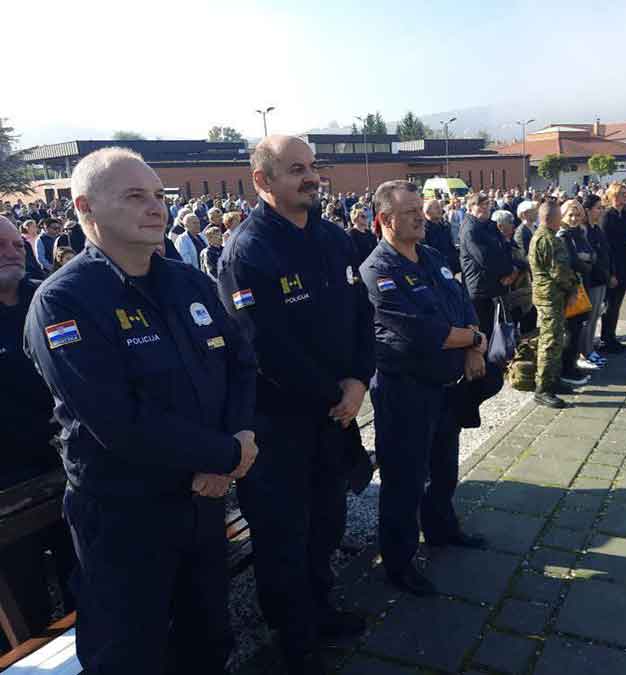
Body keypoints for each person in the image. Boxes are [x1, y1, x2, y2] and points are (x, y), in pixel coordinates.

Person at [23, 148, 259, 675]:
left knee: (208, 637)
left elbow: (241, 363)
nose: (156, 207)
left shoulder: (189, 282)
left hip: (201, 501)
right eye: (135, 196)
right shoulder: (64, 301)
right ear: (85, 207)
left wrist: (236, 437)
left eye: (158, 195)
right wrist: (224, 454)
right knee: (129, 652)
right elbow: (116, 420)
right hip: (126, 516)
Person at [217, 136, 374, 672]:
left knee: (327, 520)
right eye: (294, 169)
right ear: (262, 181)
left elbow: (362, 315)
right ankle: (294, 637)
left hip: (335, 416)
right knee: (284, 536)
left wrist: (359, 379)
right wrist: (339, 392)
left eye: (312, 166)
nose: (310, 177)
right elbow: (263, 348)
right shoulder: (248, 251)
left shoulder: (333, 238)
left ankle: (320, 609)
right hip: (279, 425)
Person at [360, 180, 490, 595]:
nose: (421, 217)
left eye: (421, 209)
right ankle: (398, 563)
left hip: (444, 385)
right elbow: (422, 331)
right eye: (411, 212)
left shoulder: (431, 256)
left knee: (444, 468)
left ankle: (441, 529)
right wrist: (473, 340)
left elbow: (463, 305)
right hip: (405, 392)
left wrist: (472, 346)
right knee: (404, 481)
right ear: (385, 219)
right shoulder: (377, 270)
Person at [0, 216, 76, 654]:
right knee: (24, 599)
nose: (12, 252)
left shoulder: (45, 298)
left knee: (83, 576)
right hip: (10, 486)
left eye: (17, 244)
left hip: (66, 465)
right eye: (0, 246)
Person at [529, 200, 580, 408]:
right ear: (552, 218)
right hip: (551, 297)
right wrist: (573, 288)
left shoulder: (540, 236)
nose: (562, 219)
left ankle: (553, 380)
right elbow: (559, 272)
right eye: (560, 216)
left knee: (556, 339)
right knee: (550, 342)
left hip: (548, 296)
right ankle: (543, 389)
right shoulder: (549, 239)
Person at [459, 192, 516, 338]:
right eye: (481, 205)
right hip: (480, 288)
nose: (485, 208)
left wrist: (512, 270)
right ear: (470, 207)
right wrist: (507, 271)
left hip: (496, 285)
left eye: (487, 204)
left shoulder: (490, 225)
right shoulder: (470, 229)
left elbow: (505, 247)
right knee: (485, 332)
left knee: (500, 329)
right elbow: (484, 259)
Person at [599, 183, 626, 352]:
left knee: (616, 304)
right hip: (614, 264)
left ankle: (611, 335)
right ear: (613, 195)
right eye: (622, 193)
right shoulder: (607, 216)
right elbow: (606, 243)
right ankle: (606, 339)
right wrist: (611, 273)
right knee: (610, 305)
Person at [558, 199, 594, 385]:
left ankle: (571, 364)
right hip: (570, 289)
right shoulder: (563, 235)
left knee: (577, 328)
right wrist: (586, 262)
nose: (574, 218)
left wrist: (587, 260)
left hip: (581, 286)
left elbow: (592, 254)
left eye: (578, 215)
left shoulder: (580, 233)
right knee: (570, 331)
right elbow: (572, 261)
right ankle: (567, 369)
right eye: (570, 215)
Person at [492, 209, 535, 333]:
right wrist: (516, 268)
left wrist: (519, 266)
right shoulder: (496, 243)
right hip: (506, 291)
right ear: (500, 226)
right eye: (510, 223)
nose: (513, 225)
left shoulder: (510, 241)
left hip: (520, 286)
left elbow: (521, 261)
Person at [582, 194, 611, 366]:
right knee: (588, 319)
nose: (601, 211)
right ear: (588, 210)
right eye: (598, 208)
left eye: (601, 208)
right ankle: (584, 352)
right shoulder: (584, 230)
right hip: (591, 280)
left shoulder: (597, 229)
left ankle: (590, 349)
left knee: (595, 317)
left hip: (601, 279)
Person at [424, 198, 461, 275]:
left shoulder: (445, 226)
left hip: (450, 266)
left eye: (440, 207)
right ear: (427, 211)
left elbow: (450, 246)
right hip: (435, 269)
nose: (440, 210)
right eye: (436, 208)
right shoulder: (423, 230)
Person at [348, 202, 378, 267]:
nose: (366, 218)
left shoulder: (369, 233)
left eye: (366, 216)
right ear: (355, 218)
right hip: (361, 267)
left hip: (373, 265)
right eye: (363, 216)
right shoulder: (351, 234)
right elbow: (354, 254)